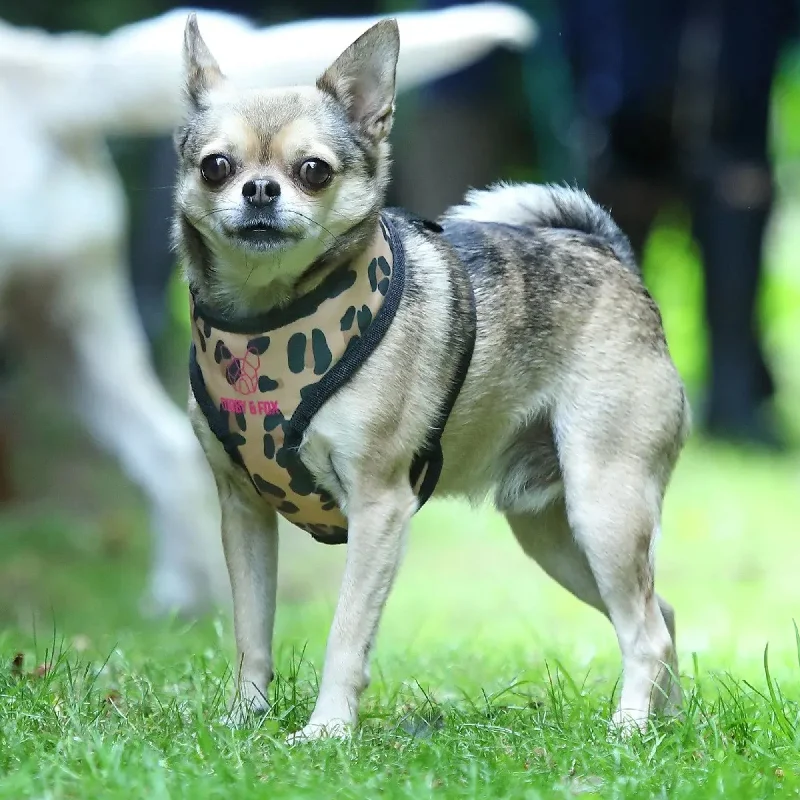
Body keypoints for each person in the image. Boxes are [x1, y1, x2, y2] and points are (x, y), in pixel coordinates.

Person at [559, 0, 798, 448]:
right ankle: (600, 402)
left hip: (732, 104)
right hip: (627, 112)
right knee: (610, 276)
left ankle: (737, 395)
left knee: (736, 207)